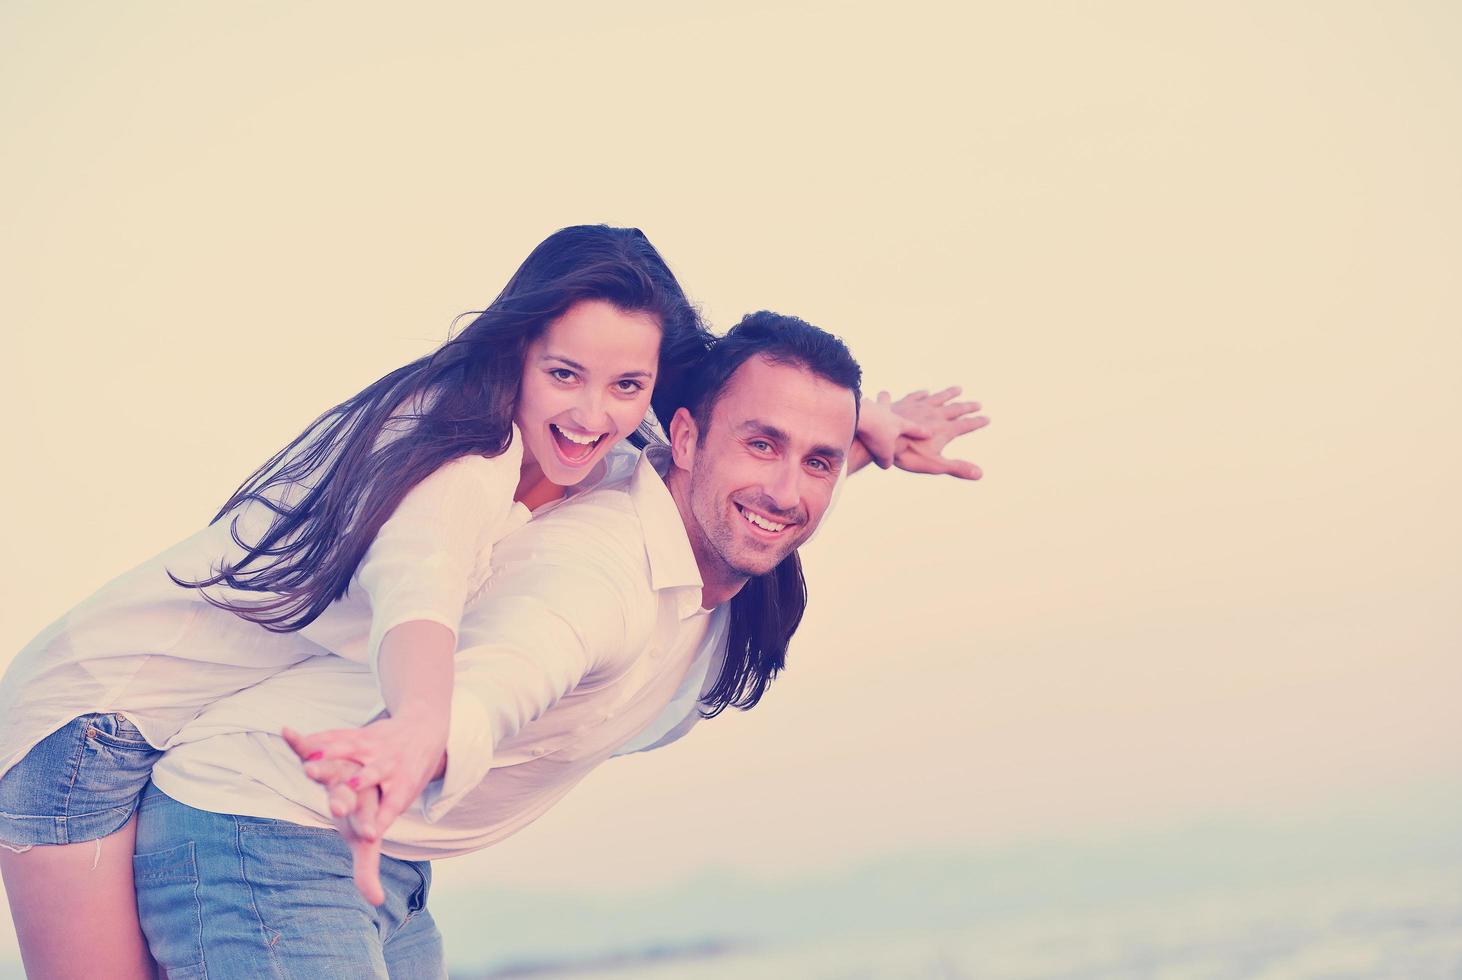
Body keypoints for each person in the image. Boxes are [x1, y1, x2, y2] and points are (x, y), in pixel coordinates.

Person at [130, 312, 987, 977]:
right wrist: (416, 737)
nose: (786, 486)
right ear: (683, 439)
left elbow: (764, 499)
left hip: (378, 855)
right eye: (761, 444)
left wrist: (873, 432)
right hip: (268, 819)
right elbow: (511, 671)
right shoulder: (600, 576)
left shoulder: (711, 537)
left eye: (820, 463)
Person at [0, 223, 719, 980]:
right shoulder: (456, 457)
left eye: (626, 387)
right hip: (93, 719)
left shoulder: (600, 454)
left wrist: (855, 438)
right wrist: (417, 724)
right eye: (565, 375)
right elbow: (421, 587)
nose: (593, 414)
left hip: (201, 735)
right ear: (516, 355)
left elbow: (742, 457)